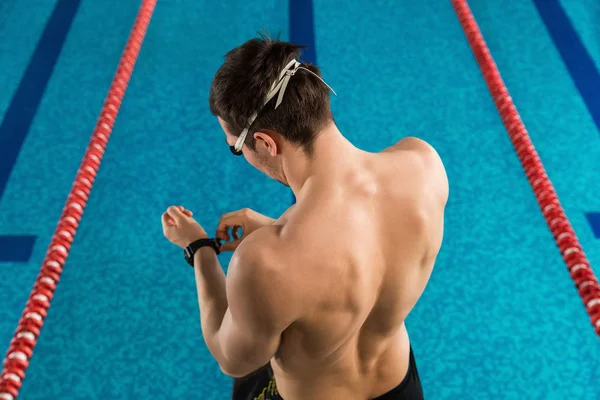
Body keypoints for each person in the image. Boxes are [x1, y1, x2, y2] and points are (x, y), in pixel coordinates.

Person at [161, 34, 448, 400]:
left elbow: (233, 358)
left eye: (237, 148)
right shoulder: (423, 165)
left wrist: (198, 247)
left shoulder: (265, 262)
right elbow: (360, 249)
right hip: (400, 386)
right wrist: (273, 228)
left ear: (266, 143)